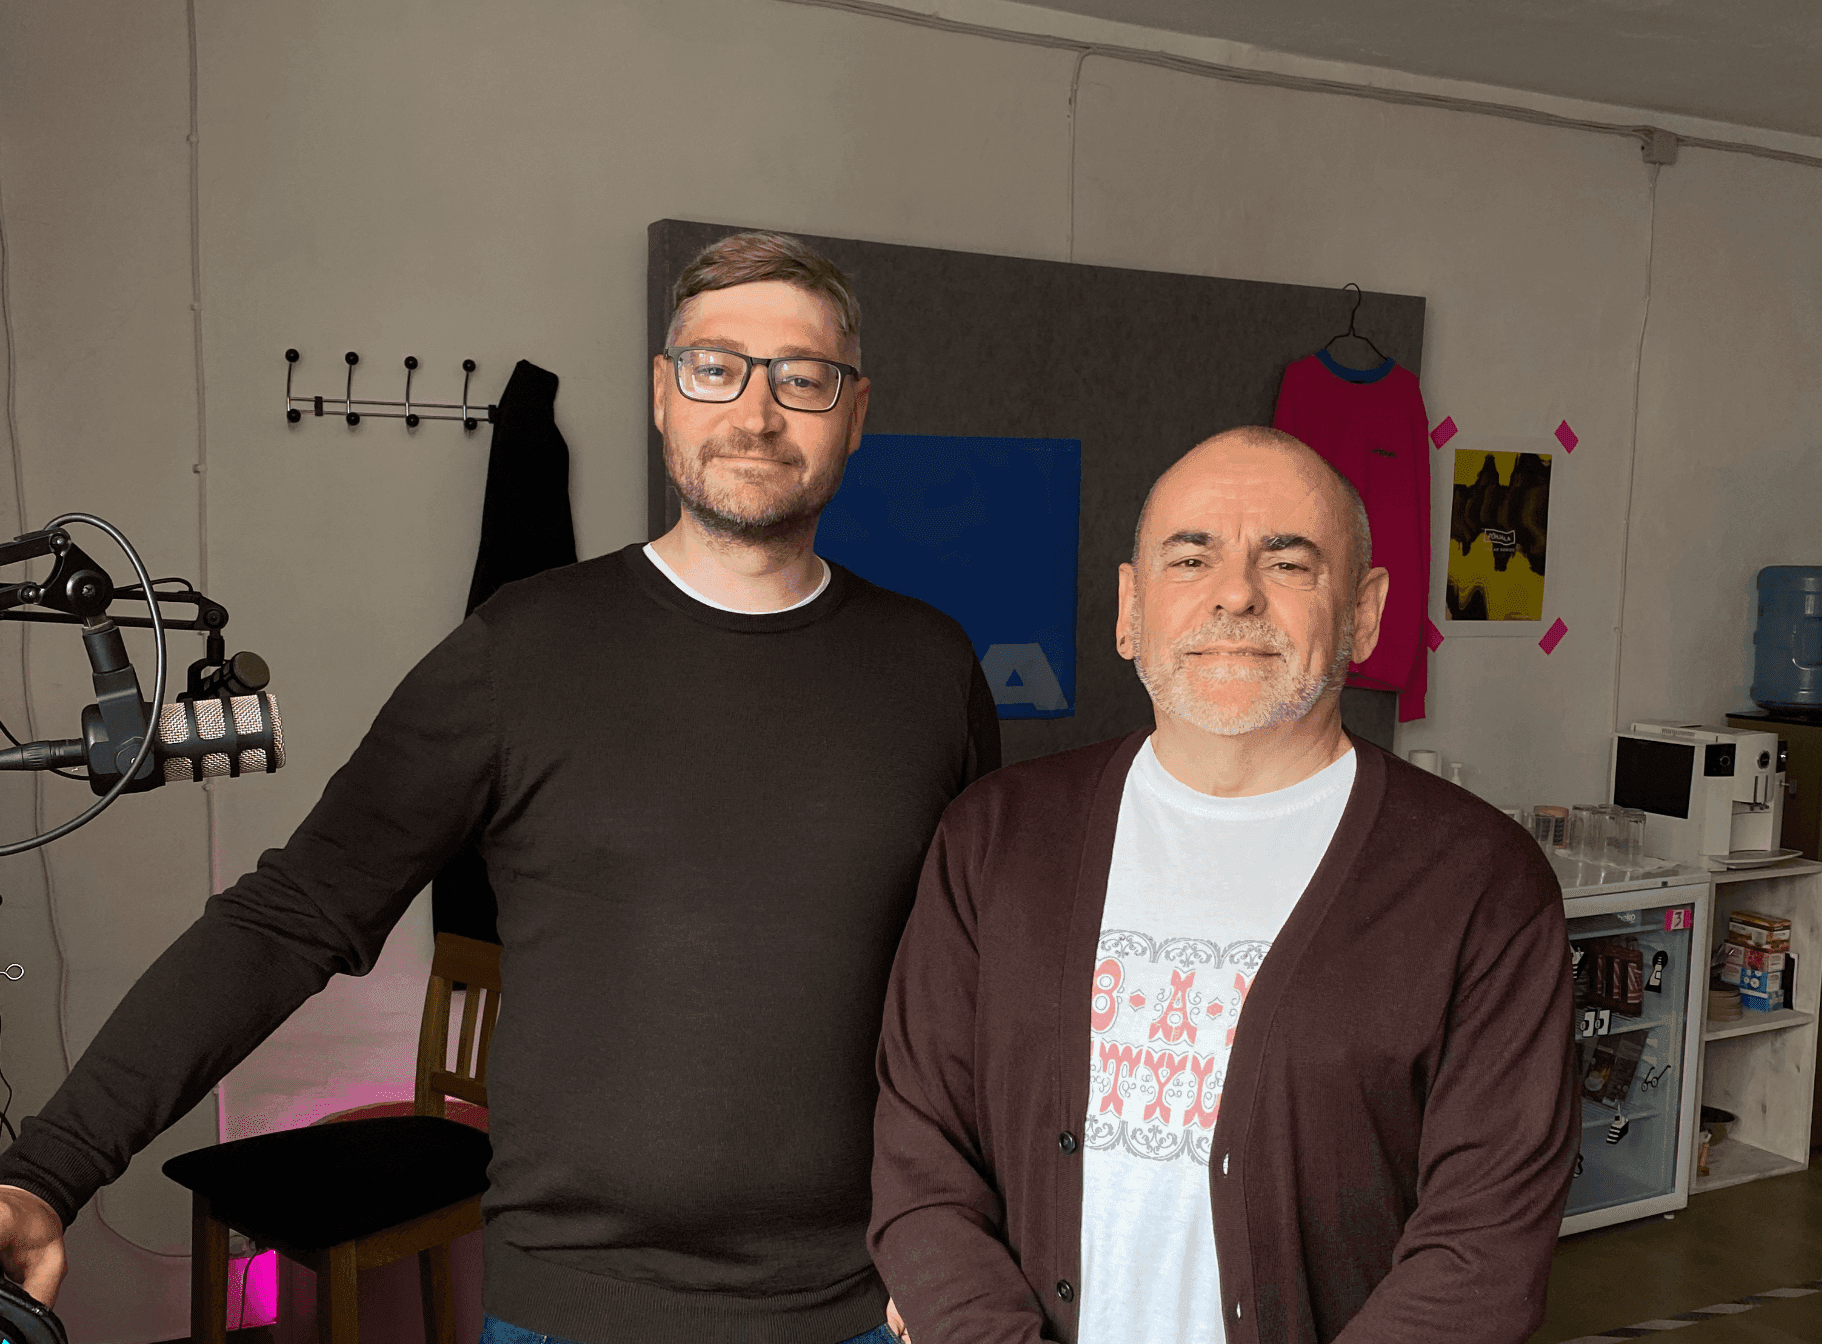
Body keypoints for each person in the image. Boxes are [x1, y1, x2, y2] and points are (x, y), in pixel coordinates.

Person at [0, 232, 999, 1344]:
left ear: (856, 412)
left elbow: (975, 995)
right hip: (571, 1313)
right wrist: (47, 1172)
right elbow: (290, 917)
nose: (756, 413)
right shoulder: (520, 650)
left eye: (802, 377)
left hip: (865, 1307)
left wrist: (957, 1245)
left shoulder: (931, 670)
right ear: (663, 394)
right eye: (716, 367)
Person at [870, 426, 1575, 1344]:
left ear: (1364, 613)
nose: (1236, 593)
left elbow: (1480, 1256)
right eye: (1191, 559)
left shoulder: (1483, 884)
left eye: (1288, 563)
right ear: (1130, 609)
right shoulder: (996, 837)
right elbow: (921, 1156)